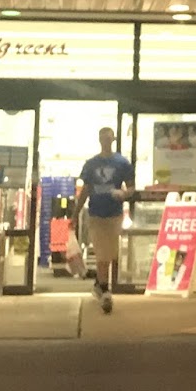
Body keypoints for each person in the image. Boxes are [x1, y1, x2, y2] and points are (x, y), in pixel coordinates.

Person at [75, 126, 134, 314]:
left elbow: (131, 188)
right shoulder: (91, 164)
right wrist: (75, 213)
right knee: (102, 253)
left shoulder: (122, 163)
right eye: (103, 138)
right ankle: (105, 290)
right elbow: (85, 190)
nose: (106, 142)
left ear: (113, 140)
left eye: (109, 138)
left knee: (109, 254)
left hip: (114, 214)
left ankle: (99, 284)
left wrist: (123, 194)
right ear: (99, 140)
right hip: (96, 214)